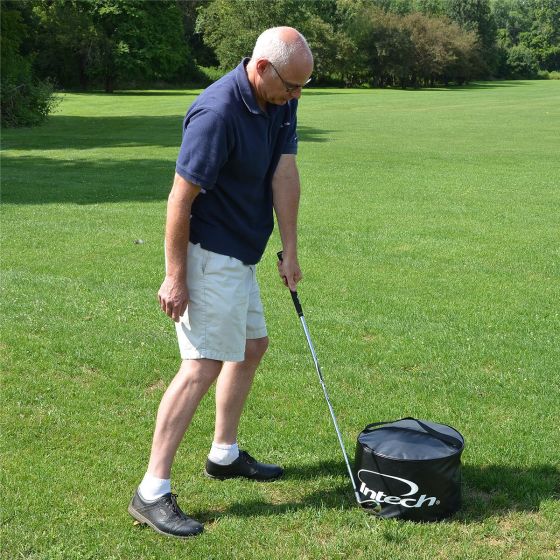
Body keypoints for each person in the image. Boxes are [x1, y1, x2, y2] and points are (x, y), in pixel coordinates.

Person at [128, 27, 314, 539]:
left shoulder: (278, 101)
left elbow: (284, 174)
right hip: (208, 254)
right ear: (261, 69)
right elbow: (179, 200)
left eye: (302, 88)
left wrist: (291, 249)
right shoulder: (217, 114)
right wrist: (174, 276)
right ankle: (151, 491)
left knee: (253, 345)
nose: (295, 98)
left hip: (243, 252)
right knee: (202, 363)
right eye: (291, 87)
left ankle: (223, 454)